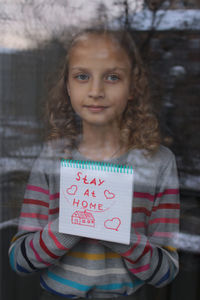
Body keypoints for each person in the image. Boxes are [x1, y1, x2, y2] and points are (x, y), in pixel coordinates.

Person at [8, 28, 180, 300]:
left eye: (113, 77)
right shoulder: (52, 158)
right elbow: (19, 260)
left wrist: (122, 236)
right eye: (82, 76)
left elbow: (166, 271)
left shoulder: (159, 163)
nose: (96, 91)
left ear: (133, 87)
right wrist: (69, 227)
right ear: (67, 85)